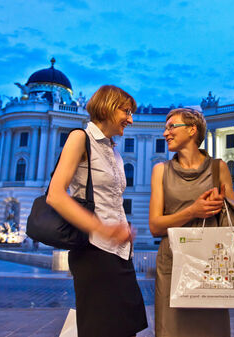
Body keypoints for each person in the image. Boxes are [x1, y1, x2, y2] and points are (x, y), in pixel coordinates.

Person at [46, 85, 147, 337]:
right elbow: (55, 195)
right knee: (101, 329)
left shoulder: (114, 151)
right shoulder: (80, 138)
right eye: (126, 111)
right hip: (94, 250)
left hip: (120, 252)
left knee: (127, 328)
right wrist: (102, 228)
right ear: (108, 107)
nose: (131, 119)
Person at [149, 108, 234, 337]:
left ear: (192, 130)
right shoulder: (160, 171)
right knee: (172, 330)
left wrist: (223, 207)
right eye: (165, 128)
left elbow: (233, 222)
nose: (165, 133)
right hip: (173, 263)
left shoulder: (219, 168)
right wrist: (193, 211)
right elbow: (155, 226)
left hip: (210, 264)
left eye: (171, 127)